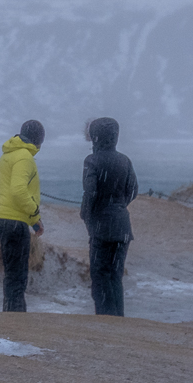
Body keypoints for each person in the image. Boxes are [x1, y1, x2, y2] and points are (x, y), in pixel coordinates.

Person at [81, 117, 137, 316]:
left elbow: (90, 193)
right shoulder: (124, 160)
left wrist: (87, 215)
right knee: (115, 275)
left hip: (101, 227)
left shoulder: (92, 161)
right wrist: (118, 206)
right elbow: (133, 190)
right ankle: (117, 317)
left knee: (100, 274)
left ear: (95, 138)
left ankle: (105, 318)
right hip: (122, 226)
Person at [0, 119, 46, 312]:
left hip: (2, 217)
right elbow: (18, 191)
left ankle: (10, 313)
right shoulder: (24, 157)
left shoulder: (9, 154)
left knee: (11, 273)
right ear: (39, 140)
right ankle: (16, 318)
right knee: (18, 276)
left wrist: (33, 222)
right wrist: (35, 213)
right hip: (15, 221)